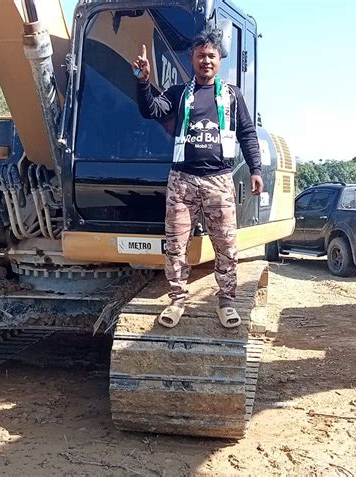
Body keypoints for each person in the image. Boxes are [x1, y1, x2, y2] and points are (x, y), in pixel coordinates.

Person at [132, 30, 263, 329]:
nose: (206, 60)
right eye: (200, 55)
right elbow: (151, 110)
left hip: (219, 180)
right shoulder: (179, 93)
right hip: (182, 181)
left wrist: (255, 169)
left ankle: (226, 301)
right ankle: (177, 299)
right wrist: (143, 82)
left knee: (226, 244)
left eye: (211, 56)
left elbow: (247, 134)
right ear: (192, 59)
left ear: (219, 61)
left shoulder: (232, 95)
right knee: (176, 244)